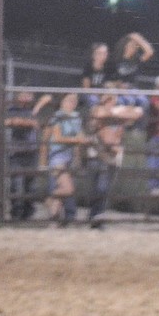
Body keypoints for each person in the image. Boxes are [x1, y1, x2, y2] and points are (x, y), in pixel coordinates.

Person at [84, 87, 143, 228]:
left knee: (105, 188)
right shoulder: (97, 109)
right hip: (98, 154)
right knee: (99, 187)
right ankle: (95, 215)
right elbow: (99, 116)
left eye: (113, 99)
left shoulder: (117, 110)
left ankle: (97, 216)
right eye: (107, 99)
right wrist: (119, 116)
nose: (111, 102)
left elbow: (137, 113)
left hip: (112, 155)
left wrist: (119, 114)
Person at [41, 93, 90, 226]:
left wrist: (82, 142)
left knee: (61, 188)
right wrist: (77, 140)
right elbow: (57, 137)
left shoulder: (76, 117)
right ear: (62, 102)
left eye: (74, 101)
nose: (72, 103)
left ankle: (53, 218)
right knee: (68, 189)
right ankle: (48, 199)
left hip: (68, 157)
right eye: (69, 100)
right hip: (57, 156)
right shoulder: (57, 116)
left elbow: (79, 135)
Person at [5, 89, 52, 220]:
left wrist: (33, 116)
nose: (26, 98)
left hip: (32, 152)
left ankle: (28, 213)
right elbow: (16, 122)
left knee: (30, 185)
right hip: (16, 153)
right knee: (16, 184)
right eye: (23, 95)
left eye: (29, 96)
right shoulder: (13, 109)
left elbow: (38, 124)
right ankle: (16, 213)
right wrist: (39, 106)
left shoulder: (33, 111)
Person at [80, 43, 111, 107]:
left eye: (105, 53)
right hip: (89, 94)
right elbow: (86, 88)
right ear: (94, 55)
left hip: (103, 94)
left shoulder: (108, 68)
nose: (103, 56)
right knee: (93, 99)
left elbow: (109, 85)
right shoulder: (88, 67)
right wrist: (98, 95)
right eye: (100, 53)